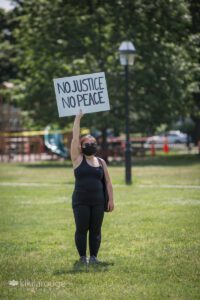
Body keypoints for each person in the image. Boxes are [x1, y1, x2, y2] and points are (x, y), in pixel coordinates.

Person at [70, 109, 114, 265]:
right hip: (81, 201)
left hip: (98, 201)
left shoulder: (101, 162)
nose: (90, 145)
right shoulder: (77, 159)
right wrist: (78, 118)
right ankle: (83, 258)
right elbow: (75, 137)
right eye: (87, 144)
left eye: (93, 143)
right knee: (82, 230)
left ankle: (94, 257)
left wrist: (111, 200)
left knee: (96, 230)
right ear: (81, 147)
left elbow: (108, 182)